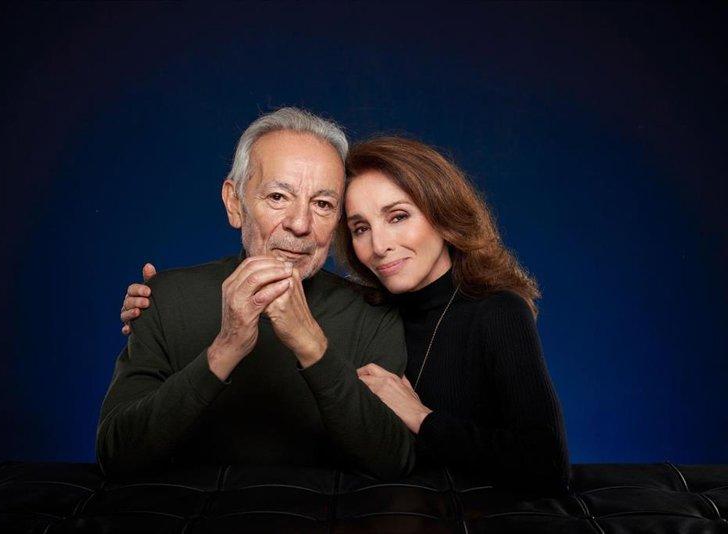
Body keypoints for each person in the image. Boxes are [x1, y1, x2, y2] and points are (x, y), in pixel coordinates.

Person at [121, 135, 571, 492]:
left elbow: (544, 462)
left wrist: (421, 418)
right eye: (359, 228)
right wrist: (163, 302)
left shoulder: (492, 311)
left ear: (443, 215)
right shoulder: (378, 300)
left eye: (398, 217)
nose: (379, 245)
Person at [98, 108, 414, 480]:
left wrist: (312, 346)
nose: (300, 225)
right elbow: (115, 457)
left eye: (323, 204)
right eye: (279, 197)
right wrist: (226, 347)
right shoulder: (164, 298)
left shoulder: (372, 312)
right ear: (235, 203)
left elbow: (395, 462)